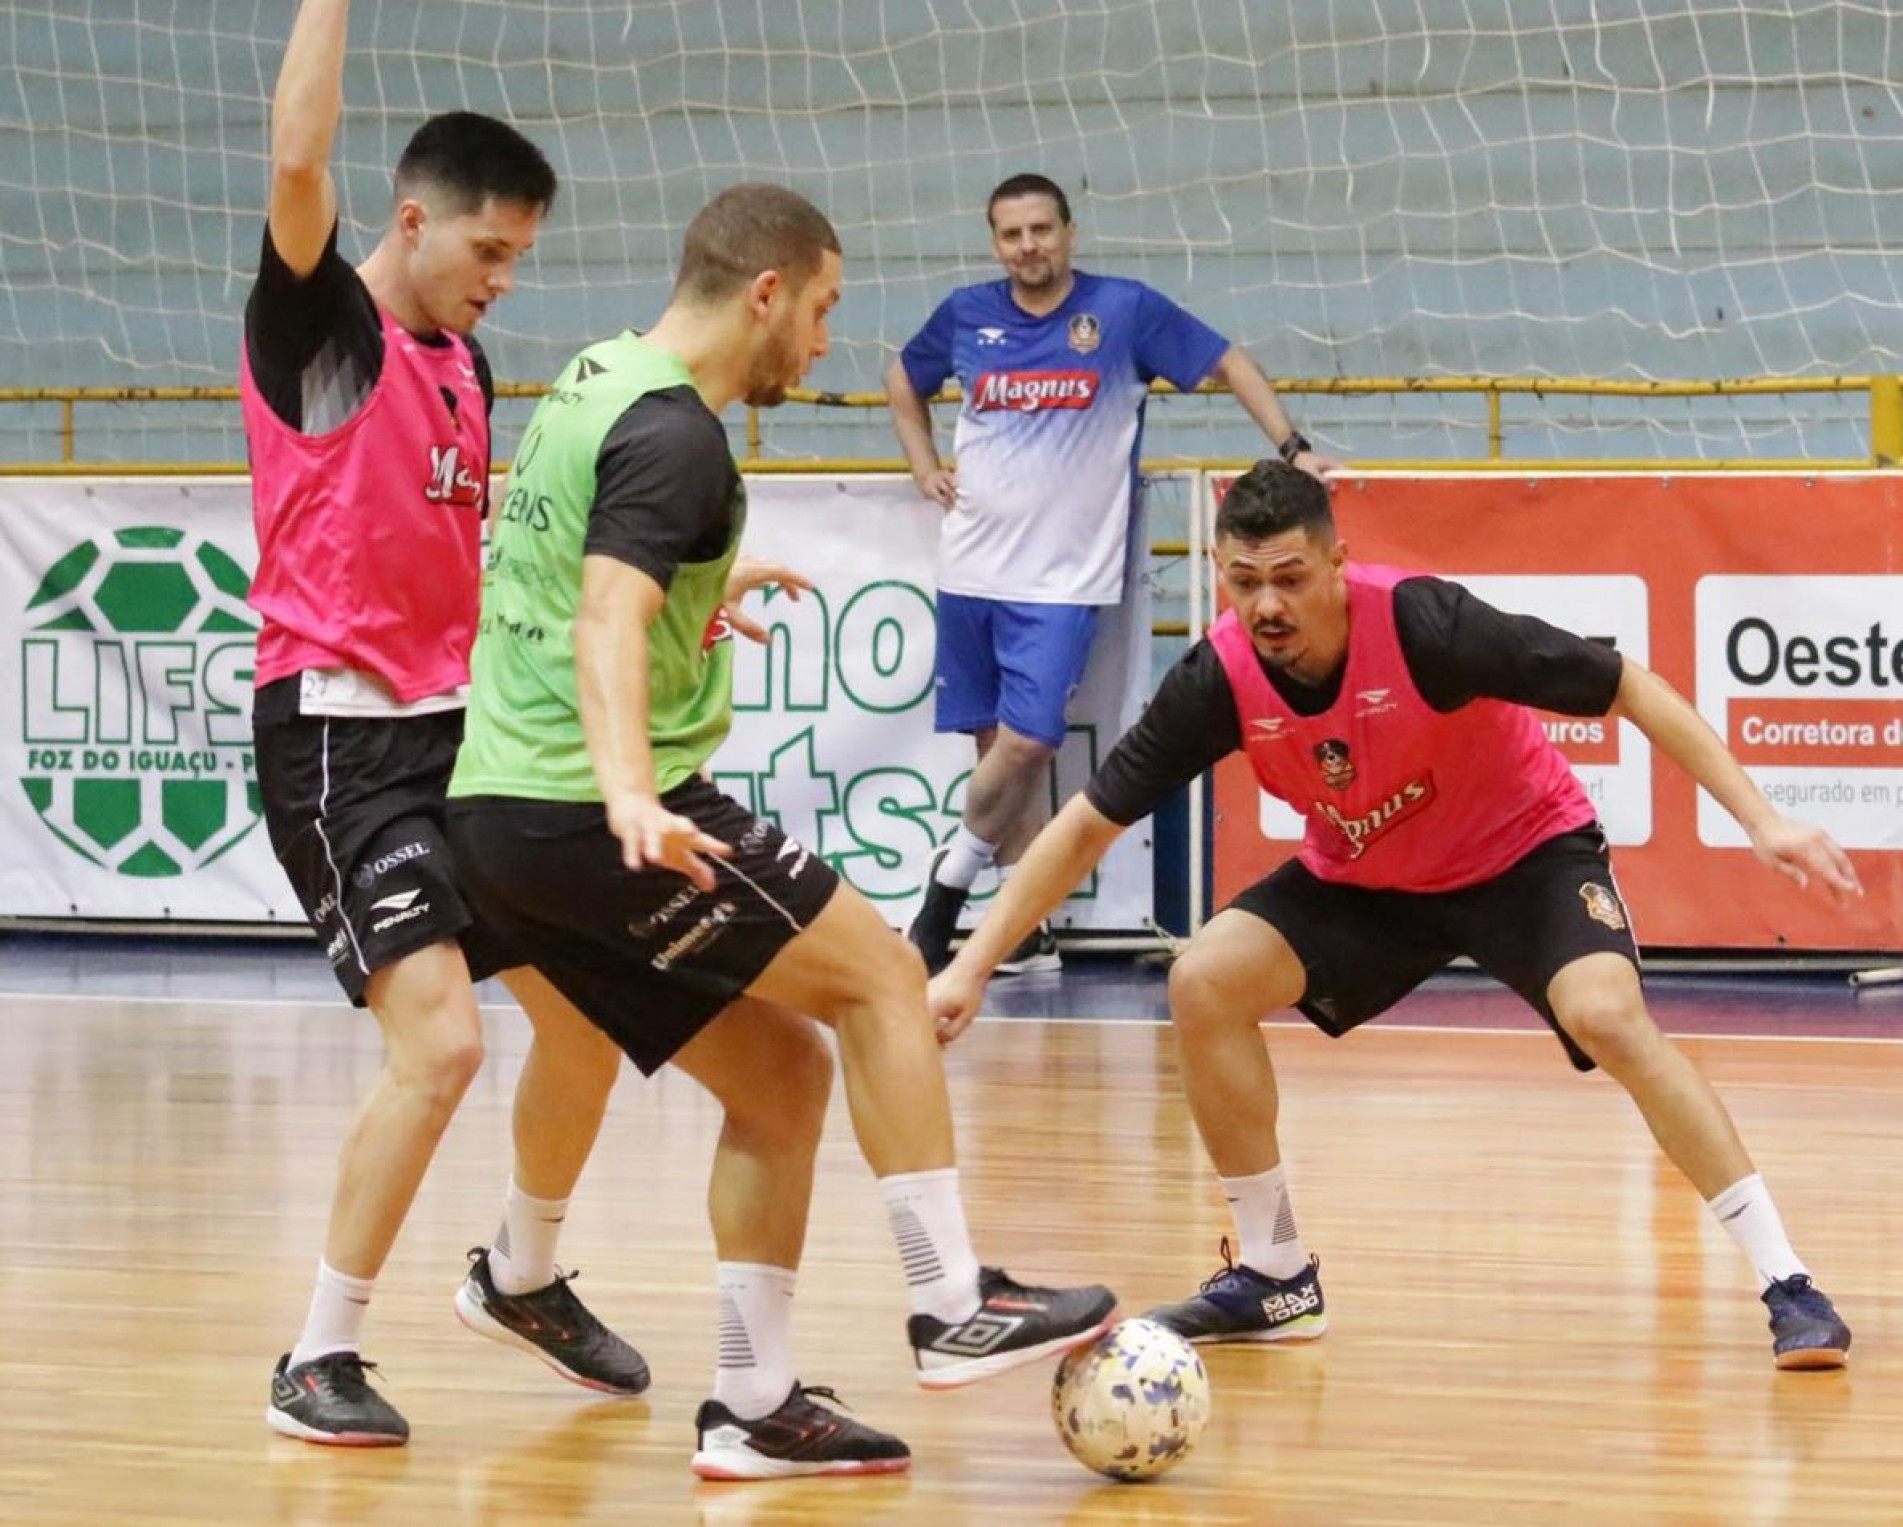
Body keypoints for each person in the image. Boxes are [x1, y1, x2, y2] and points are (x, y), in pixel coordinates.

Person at [444, 182, 1118, 1481]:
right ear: (764, 293)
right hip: (590, 811)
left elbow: (568, 574)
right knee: (880, 978)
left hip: (503, 816)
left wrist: (698, 595)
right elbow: (598, 616)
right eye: (818, 310)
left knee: (781, 1077)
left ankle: (751, 1401)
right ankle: (947, 1296)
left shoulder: (594, 372)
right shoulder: (676, 436)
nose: (820, 343)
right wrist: (633, 789)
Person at [929, 457, 1860, 1371]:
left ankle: (1788, 1282)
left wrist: (1759, 818)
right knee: (1203, 979)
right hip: (1366, 877)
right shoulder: (1218, 676)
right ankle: (1274, 1273)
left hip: (1520, 855)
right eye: (1244, 581)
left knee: (1608, 1015)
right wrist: (970, 965)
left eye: (1290, 578)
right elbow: (1085, 825)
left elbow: (1627, 685)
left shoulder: (1426, 625)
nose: (1267, 606)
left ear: (1337, 565)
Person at [242, 0, 643, 1448]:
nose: (502, 281)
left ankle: (522, 1275)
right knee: (441, 1044)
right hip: (342, 737)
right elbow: (298, 158)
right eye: (489, 252)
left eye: (519, 259)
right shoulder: (324, 331)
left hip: (463, 734)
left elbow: (495, 562)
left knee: (592, 1016)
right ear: (411, 222)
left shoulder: (465, 370)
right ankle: (315, 1353)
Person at [886, 172, 1337, 976]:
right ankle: (1022, 929)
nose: (1027, 247)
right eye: (1010, 234)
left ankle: (944, 892)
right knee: (993, 743)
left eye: (1040, 230)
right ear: (995, 242)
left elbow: (1228, 360)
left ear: (1069, 232)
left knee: (1027, 743)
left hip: (1062, 581)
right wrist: (922, 464)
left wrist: (1293, 447)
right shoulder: (965, 314)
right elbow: (901, 377)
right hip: (971, 567)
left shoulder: (1123, 311)